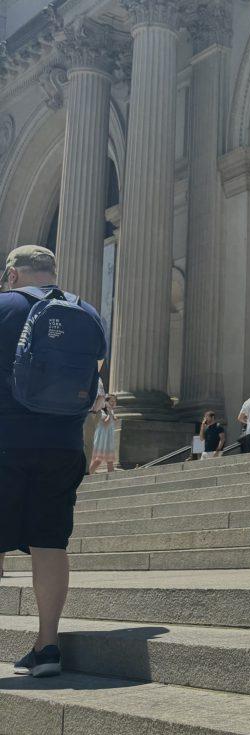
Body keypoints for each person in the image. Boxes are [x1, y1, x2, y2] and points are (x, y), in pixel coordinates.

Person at [1, 245, 107, 678]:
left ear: (12, 274)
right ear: (50, 273)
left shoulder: (4, 305)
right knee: (50, 543)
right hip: (63, 445)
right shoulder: (85, 312)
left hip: (6, 440)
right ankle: (47, 647)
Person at [89, 394, 119, 474]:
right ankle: (87, 475)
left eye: (115, 401)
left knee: (110, 460)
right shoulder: (101, 411)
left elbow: (114, 420)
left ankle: (112, 479)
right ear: (105, 402)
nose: (113, 403)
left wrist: (111, 414)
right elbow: (106, 422)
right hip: (102, 438)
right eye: (111, 401)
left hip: (108, 438)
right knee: (98, 460)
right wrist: (110, 414)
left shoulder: (111, 411)